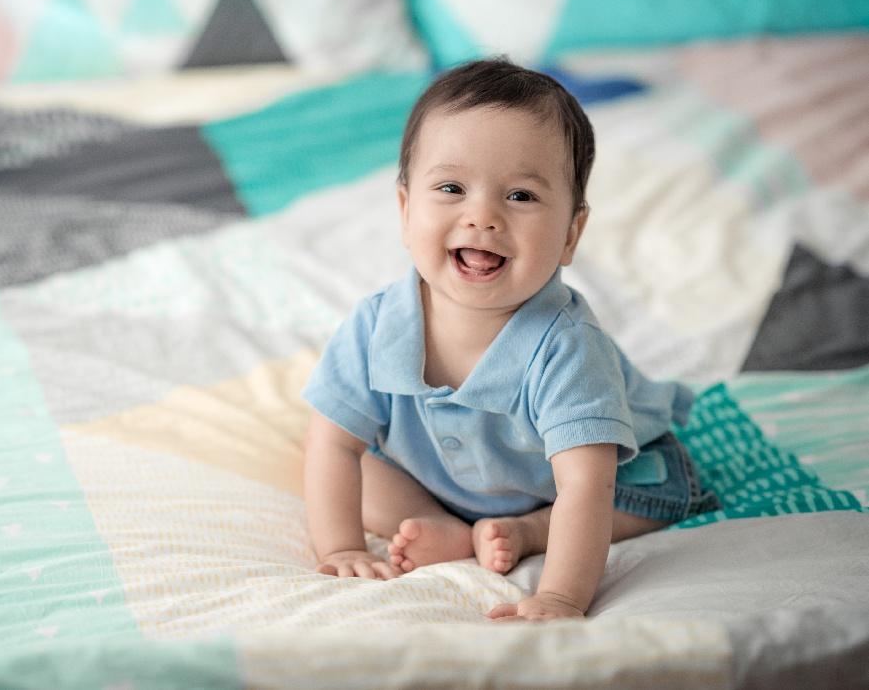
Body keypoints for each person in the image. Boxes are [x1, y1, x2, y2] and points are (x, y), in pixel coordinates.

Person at [301, 58, 718, 621]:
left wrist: (560, 596)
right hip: (442, 474)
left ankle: (530, 530)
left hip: (586, 480)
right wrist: (342, 548)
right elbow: (334, 443)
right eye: (451, 188)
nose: (483, 216)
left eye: (520, 196)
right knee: (353, 462)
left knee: (661, 494)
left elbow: (584, 489)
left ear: (571, 233)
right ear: (405, 211)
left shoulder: (567, 349)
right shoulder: (377, 326)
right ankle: (450, 527)